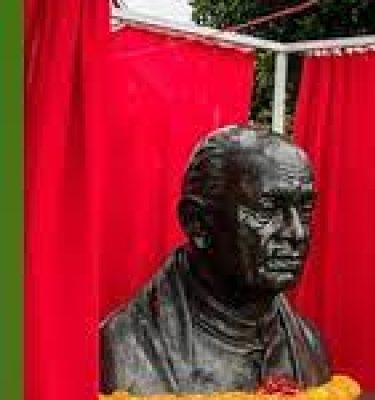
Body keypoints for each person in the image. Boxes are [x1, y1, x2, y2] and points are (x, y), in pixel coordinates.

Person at [101, 126, 330, 395]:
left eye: (305, 209)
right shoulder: (124, 348)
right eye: (268, 210)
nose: (296, 233)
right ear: (198, 223)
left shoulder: (308, 344)